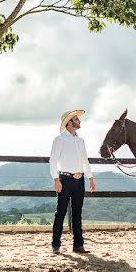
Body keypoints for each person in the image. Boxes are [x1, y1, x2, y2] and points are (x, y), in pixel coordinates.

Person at [49, 109, 96, 254]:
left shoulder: (80, 141)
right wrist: (56, 179)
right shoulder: (59, 139)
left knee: (77, 213)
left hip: (79, 179)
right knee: (61, 212)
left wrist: (90, 177)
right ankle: (56, 245)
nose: (79, 121)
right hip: (65, 179)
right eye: (76, 119)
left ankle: (78, 245)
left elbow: (85, 160)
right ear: (69, 122)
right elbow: (53, 160)